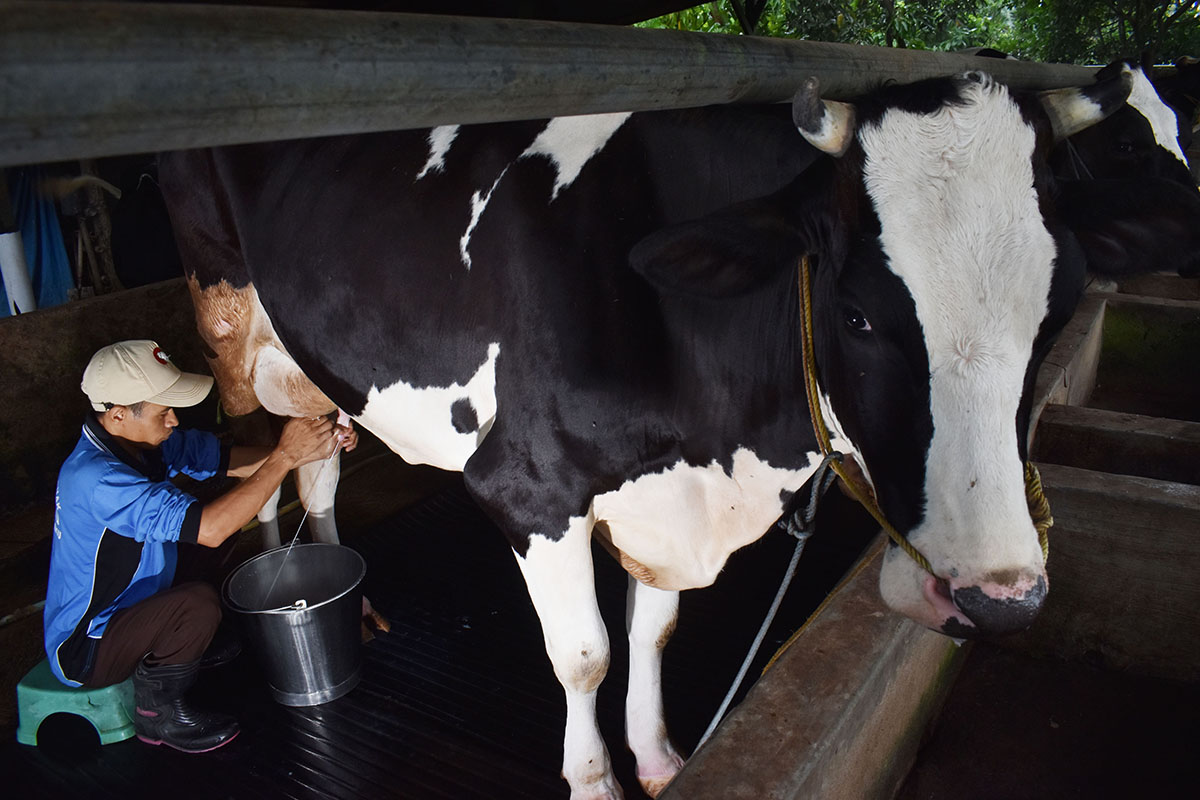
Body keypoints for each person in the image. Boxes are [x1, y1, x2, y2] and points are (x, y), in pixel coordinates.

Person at [43, 339, 357, 753]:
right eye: (162, 411)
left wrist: (311, 449)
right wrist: (284, 457)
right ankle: (158, 715)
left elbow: (227, 460)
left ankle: (179, 644)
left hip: (130, 600)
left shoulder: (135, 443)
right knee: (200, 601)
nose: (173, 420)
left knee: (218, 542)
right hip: (87, 647)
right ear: (118, 414)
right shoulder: (98, 479)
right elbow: (210, 527)